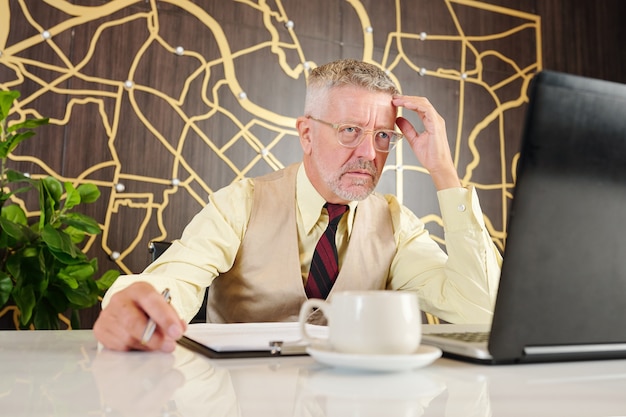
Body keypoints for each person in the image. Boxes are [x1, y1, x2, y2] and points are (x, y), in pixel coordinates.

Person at [94, 59, 502, 352]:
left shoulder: (395, 223)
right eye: (350, 131)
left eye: (382, 137)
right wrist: (138, 305)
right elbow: (176, 278)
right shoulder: (244, 201)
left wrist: (444, 173)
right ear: (307, 134)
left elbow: (481, 311)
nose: (369, 153)